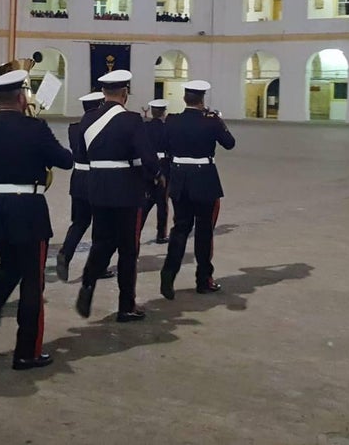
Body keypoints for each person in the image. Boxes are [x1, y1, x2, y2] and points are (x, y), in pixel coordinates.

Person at [0, 69, 73, 369]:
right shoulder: (35, 127)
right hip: (28, 207)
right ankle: (26, 351)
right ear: (21, 97)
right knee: (32, 280)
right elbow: (64, 160)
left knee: (8, 268)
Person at [74, 70, 160, 323]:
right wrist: (155, 174)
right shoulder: (132, 120)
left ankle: (88, 282)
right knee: (128, 250)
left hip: (97, 187)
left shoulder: (87, 119)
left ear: (103, 92)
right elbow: (147, 156)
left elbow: (81, 152)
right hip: (126, 190)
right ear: (125, 93)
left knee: (101, 241)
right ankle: (126, 306)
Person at [160, 81, 236, 299]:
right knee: (204, 231)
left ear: (185, 99)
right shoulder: (211, 120)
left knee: (180, 228)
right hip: (204, 179)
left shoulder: (172, 120)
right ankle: (204, 280)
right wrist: (219, 121)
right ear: (203, 100)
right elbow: (229, 143)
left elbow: (165, 145)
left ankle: (168, 274)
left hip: (179, 178)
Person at [55, 92, 112, 282]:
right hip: (97, 177)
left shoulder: (74, 128)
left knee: (79, 222)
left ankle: (65, 253)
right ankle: (99, 267)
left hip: (78, 178)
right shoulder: (103, 127)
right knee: (102, 225)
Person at [140, 99, 171, 244]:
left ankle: (137, 229)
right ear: (164, 111)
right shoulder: (167, 128)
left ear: (151, 111)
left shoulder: (144, 127)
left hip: (147, 166)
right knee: (162, 203)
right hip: (164, 164)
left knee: (145, 201)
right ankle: (161, 234)